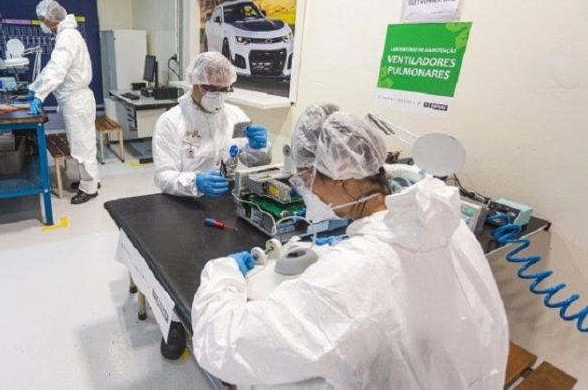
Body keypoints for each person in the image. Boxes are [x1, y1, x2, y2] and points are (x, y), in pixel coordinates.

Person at [191, 103, 509, 389]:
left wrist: (222, 274)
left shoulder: (354, 273)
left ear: (342, 178)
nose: (305, 189)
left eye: (306, 178)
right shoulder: (447, 224)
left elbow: (227, 347)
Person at [152, 51, 271, 198]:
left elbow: (254, 162)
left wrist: (257, 149)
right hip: (185, 199)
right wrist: (195, 183)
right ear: (195, 82)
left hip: (226, 196)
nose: (218, 95)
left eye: (224, 89)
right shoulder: (171, 121)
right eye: (212, 89)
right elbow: (163, 176)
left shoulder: (236, 116)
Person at [27, 0, 99, 204]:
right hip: (76, 99)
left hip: (76, 100)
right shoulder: (66, 35)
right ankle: (90, 181)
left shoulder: (67, 37)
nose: (42, 24)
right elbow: (51, 67)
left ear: (52, 18)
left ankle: (90, 188)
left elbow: (57, 70)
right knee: (84, 143)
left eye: (43, 20)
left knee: (82, 146)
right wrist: (35, 87)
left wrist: (40, 95)